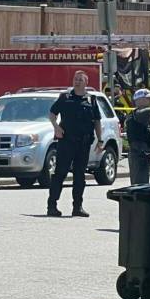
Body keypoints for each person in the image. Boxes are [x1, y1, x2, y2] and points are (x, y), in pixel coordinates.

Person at [47, 70, 104, 218]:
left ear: (86, 82)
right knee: (60, 173)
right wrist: (56, 127)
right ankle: (52, 206)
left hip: (84, 143)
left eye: (80, 79)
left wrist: (100, 140)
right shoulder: (65, 97)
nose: (77, 81)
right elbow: (52, 113)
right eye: (75, 79)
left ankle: (77, 207)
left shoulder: (91, 100)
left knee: (80, 175)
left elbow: (97, 121)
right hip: (67, 141)